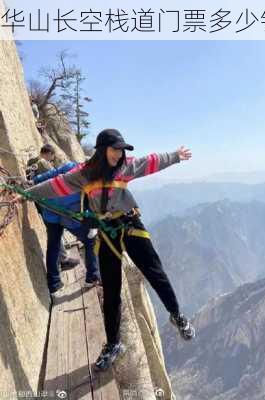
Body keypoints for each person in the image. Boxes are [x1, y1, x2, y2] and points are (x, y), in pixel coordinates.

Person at [19, 128, 196, 370]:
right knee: (111, 290)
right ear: (103, 150)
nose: (119, 154)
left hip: (130, 224)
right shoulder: (83, 175)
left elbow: (151, 162)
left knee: (155, 272)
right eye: (115, 149)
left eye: (121, 150)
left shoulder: (125, 168)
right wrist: (26, 194)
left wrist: (175, 156)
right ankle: (113, 343)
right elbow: (55, 186)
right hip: (107, 231)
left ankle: (176, 315)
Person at [33, 162, 101, 295]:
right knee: (91, 241)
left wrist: (34, 180)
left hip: (50, 211)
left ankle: (54, 283)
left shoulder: (72, 166)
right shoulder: (93, 182)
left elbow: (51, 174)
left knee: (53, 245)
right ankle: (92, 276)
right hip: (69, 217)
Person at [26, 144, 79, 271]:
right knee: (55, 234)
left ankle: (62, 261)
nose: (52, 159)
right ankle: (63, 260)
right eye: (52, 156)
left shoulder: (31, 162)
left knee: (54, 235)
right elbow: (52, 181)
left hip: (40, 202)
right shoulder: (43, 164)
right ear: (49, 153)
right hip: (48, 203)